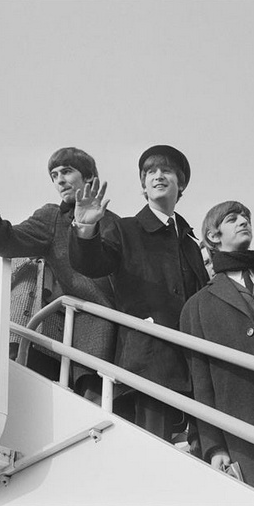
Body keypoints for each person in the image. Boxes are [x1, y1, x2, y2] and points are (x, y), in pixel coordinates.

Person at [0, 147, 119, 399]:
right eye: (54, 175)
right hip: (89, 333)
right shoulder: (52, 218)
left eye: (67, 171)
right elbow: (4, 241)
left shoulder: (119, 223)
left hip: (130, 331)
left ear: (89, 178)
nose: (59, 179)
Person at [69, 145, 209, 442]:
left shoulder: (189, 244)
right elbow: (92, 264)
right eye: (150, 172)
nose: (158, 176)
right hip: (144, 362)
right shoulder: (126, 229)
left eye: (167, 170)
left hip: (188, 365)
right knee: (149, 449)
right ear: (143, 186)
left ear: (180, 184)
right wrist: (85, 228)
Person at [180, 201, 254, 502]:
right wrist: (214, 446)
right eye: (233, 218)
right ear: (213, 236)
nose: (244, 221)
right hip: (244, 435)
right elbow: (201, 385)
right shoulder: (197, 307)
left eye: (246, 217)